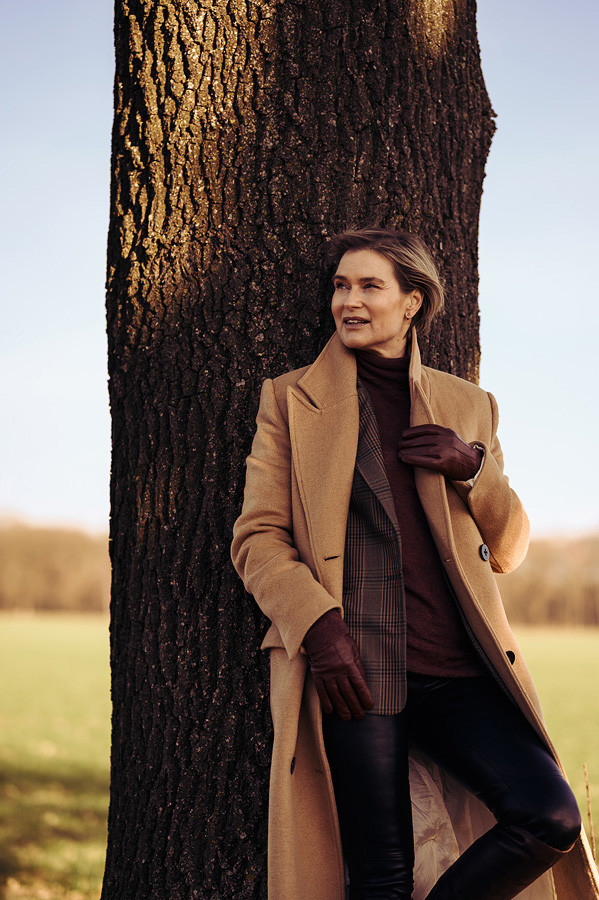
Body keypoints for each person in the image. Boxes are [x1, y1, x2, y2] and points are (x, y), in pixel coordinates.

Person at [231, 228, 598, 899]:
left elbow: (509, 548)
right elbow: (257, 537)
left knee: (549, 816)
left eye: (369, 286)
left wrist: (472, 469)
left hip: (460, 669)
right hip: (357, 668)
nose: (348, 301)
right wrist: (318, 626)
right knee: (382, 878)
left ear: (412, 302)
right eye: (340, 286)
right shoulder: (289, 399)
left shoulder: (469, 406)